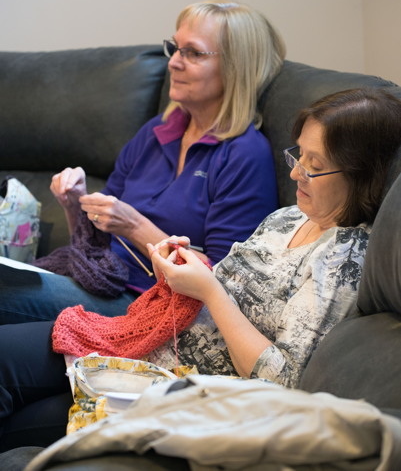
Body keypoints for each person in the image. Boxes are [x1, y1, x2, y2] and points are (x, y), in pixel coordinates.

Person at [1, 87, 401, 451]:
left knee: (22, 417)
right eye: (298, 155)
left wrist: (209, 290)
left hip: (174, 391)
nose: (296, 172)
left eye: (314, 165)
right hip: (145, 347)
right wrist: (179, 269)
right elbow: (223, 285)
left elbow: (284, 382)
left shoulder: (343, 258)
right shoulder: (288, 218)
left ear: (362, 176)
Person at [0, 0, 285, 324]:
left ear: (236, 66)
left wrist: (135, 226)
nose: (174, 63)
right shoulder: (156, 132)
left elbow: (224, 282)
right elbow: (95, 243)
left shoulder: (244, 154)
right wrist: (76, 203)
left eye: (193, 53)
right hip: (102, 279)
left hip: (155, 306)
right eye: (175, 49)